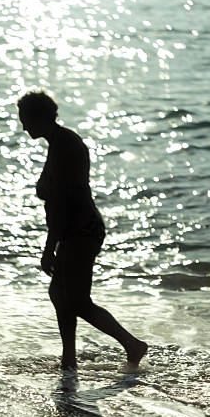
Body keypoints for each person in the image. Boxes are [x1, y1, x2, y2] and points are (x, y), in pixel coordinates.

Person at [17, 91, 148, 369]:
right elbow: (49, 192)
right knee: (59, 295)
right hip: (75, 229)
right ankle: (69, 359)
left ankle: (132, 345)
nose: (23, 126)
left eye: (26, 120)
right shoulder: (59, 143)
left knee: (76, 300)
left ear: (40, 118)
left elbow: (61, 201)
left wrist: (48, 248)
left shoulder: (66, 146)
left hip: (81, 230)